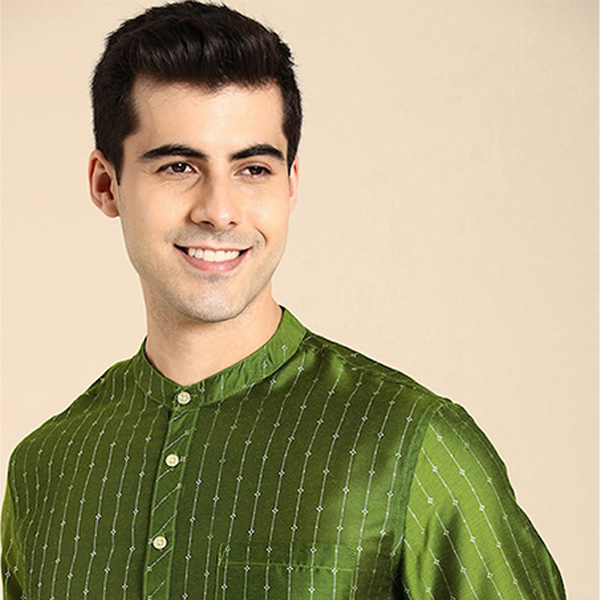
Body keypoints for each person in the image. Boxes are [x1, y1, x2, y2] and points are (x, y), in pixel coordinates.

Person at [1, 2, 566, 599]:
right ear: (106, 184)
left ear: (291, 183)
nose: (219, 210)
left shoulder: (412, 443)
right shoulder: (46, 467)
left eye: (253, 170)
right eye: (178, 166)